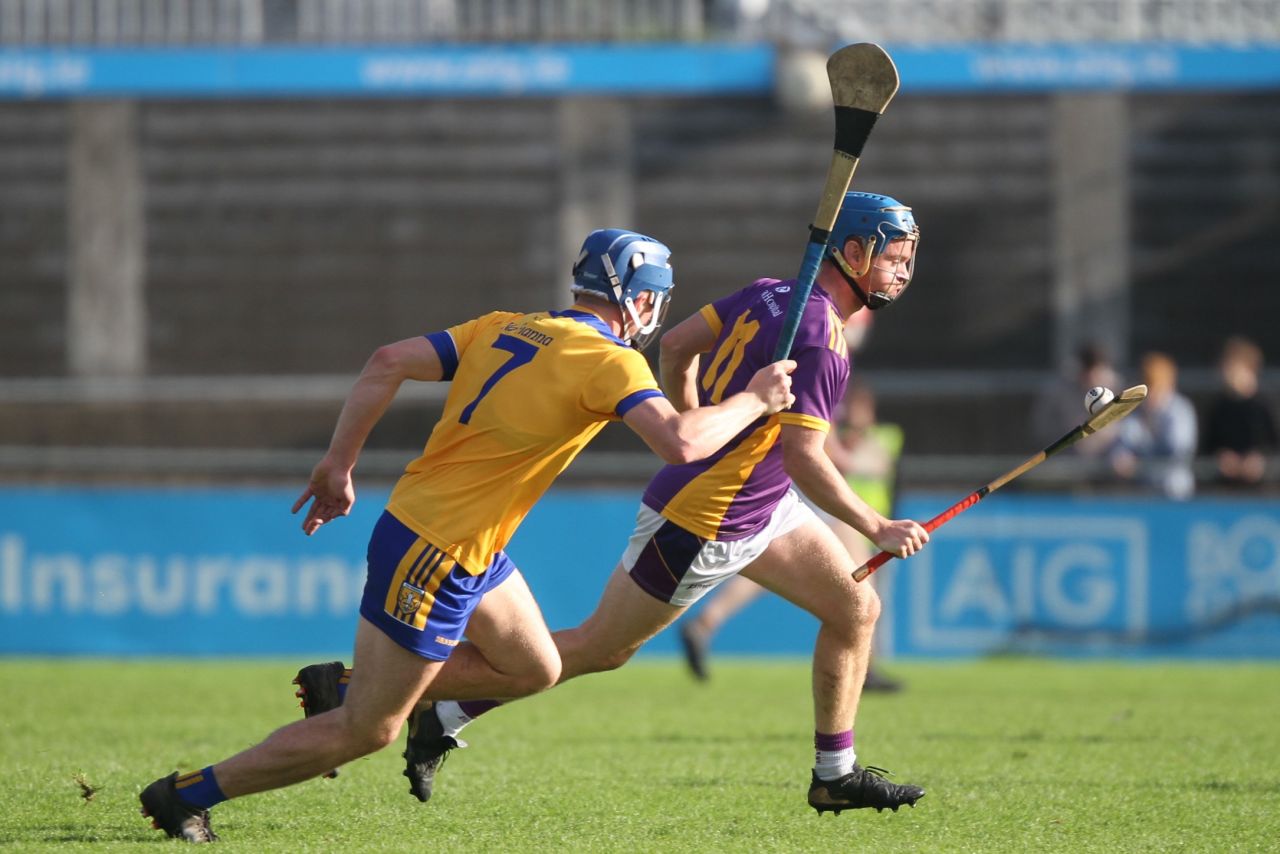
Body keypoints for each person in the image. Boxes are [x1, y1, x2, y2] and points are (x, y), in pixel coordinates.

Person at [137, 228, 797, 842]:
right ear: (641, 298)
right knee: (368, 731)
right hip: (438, 552)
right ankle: (188, 794)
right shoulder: (611, 362)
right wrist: (755, 398)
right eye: (657, 301)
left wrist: (338, 465)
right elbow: (682, 443)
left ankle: (343, 685)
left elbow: (387, 360)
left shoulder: (505, 325)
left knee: (536, 667)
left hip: (453, 540)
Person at [296, 191, 932, 816]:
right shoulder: (822, 337)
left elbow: (679, 345)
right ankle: (371, 694)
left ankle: (835, 774)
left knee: (854, 609)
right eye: (894, 257)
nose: (904, 270)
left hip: (761, 504)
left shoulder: (771, 292)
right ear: (851, 251)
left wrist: (696, 421)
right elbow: (804, 458)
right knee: (598, 649)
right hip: (708, 521)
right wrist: (876, 524)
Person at [677, 380, 907, 692]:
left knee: (765, 563)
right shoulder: (826, 361)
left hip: (786, 482)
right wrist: (857, 463)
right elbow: (820, 448)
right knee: (863, 580)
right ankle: (863, 666)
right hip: (811, 488)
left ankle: (706, 623)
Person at [1109, 351, 1198, 499]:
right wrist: (1121, 457)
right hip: (1144, 493)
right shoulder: (1136, 412)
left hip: (1174, 492)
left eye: (1157, 386)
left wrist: (1139, 462)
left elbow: (1177, 449)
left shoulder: (1180, 410)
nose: (1152, 393)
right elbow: (1122, 443)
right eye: (1149, 386)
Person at [1201, 336, 1277, 488]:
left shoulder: (1265, 407)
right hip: (1225, 489)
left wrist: (1260, 461)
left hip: (1263, 492)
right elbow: (1206, 448)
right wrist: (1221, 458)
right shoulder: (1219, 408)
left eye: (1231, 367)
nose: (1225, 372)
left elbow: (1273, 446)